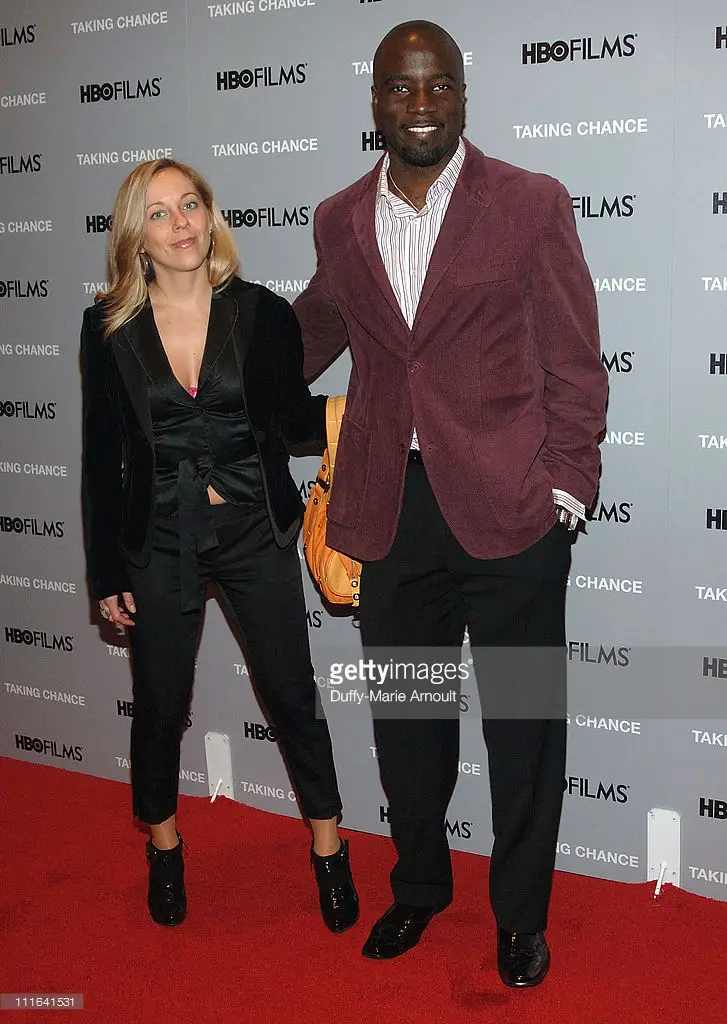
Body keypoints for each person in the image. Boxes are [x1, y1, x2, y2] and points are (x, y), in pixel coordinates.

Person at [294, 21, 607, 986]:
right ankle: (420, 889)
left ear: (461, 96)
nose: (418, 104)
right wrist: (203, 364)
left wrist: (567, 489)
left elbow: (573, 361)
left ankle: (519, 915)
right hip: (394, 512)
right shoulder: (340, 218)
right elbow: (310, 335)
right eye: (399, 88)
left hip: (512, 509)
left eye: (436, 88)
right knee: (409, 727)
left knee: (522, 730)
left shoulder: (529, 202)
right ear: (376, 100)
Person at [80, 158, 358, 932]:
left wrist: (367, 408)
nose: (182, 225)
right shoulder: (107, 328)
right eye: (160, 213)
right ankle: (164, 845)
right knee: (161, 704)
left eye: (191, 205)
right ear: (137, 236)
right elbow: (103, 456)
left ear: (211, 215)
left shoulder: (262, 313)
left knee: (291, 693)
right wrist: (105, 568)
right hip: (157, 537)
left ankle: (329, 848)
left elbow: (294, 421)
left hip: (250, 528)